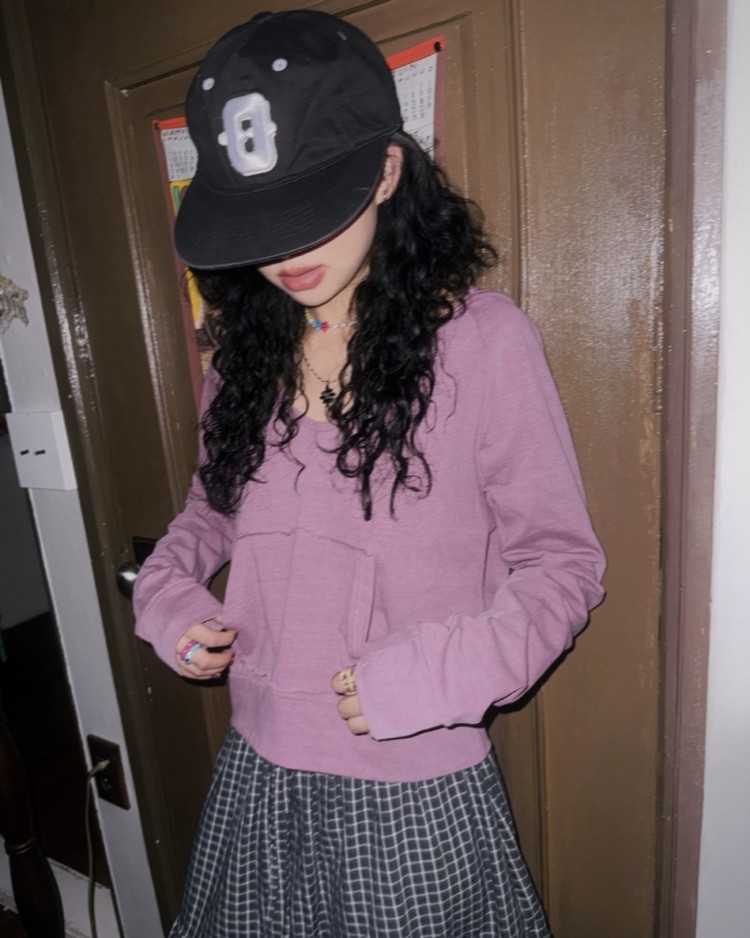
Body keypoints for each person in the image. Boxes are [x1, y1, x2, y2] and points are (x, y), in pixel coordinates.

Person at [133, 9, 605, 937]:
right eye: (260, 222)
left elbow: (564, 562)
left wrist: (443, 671)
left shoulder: (482, 343)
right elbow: (210, 511)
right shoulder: (242, 357)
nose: (284, 253)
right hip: (259, 776)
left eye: (309, 210)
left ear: (387, 171)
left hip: (413, 786)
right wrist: (166, 593)